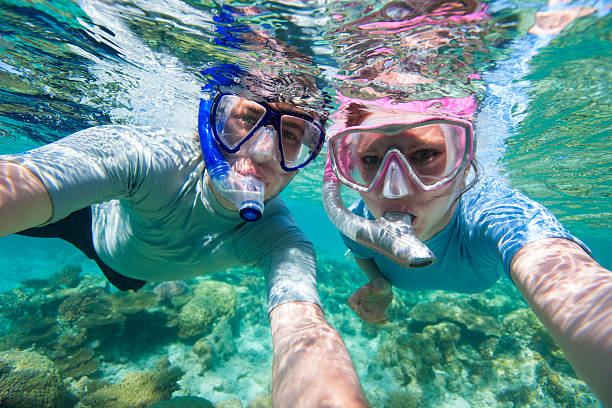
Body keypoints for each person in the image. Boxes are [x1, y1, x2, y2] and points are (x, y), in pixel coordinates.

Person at [0, 65, 370, 406]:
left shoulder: (281, 240)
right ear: (211, 119)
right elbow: (23, 182)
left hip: (129, 273)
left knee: (129, 282)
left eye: (290, 135)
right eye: (246, 118)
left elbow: (303, 331)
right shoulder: (144, 157)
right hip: (87, 225)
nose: (263, 153)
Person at [321, 1, 612, 406]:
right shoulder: (355, 220)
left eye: (424, 155)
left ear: (464, 163)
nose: (392, 190)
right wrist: (379, 285)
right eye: (370, 160)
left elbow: (564, 276)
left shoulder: (494, 214)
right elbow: (360, 250)